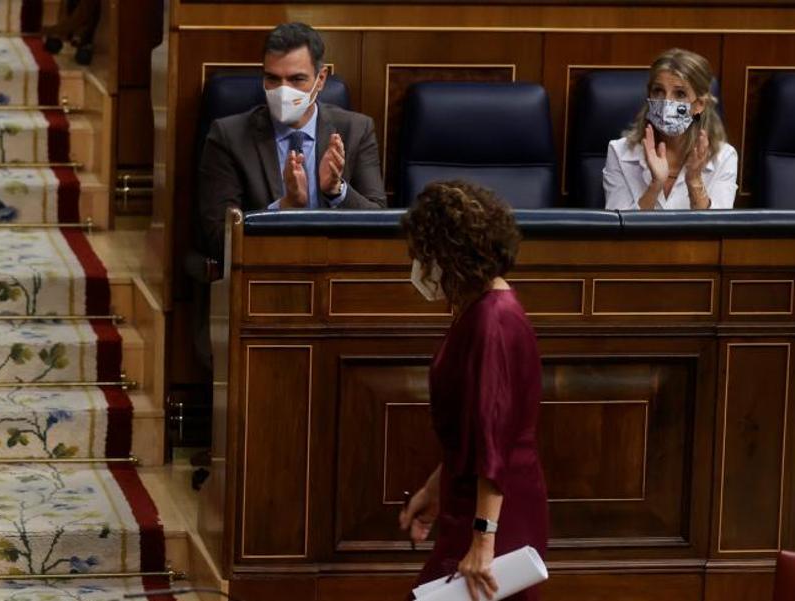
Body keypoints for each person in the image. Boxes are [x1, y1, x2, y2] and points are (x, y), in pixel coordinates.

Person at [398, 181, 548, 601]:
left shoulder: (493, 322)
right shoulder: (481, 309)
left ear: (448, 254)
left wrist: (484, 543)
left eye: (423, 255)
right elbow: (469, 433)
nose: (420, 267)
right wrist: (433, 488)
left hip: (493, 515)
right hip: (475, 501)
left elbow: (492, 441)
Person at [198, 22, 386, 260]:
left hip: (338, 269)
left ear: (320, 79)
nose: (283, 91)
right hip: (265, 274)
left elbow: (381, 223)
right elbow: (217, 239)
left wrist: (336, 191)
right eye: (273, 79)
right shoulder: (229, 136)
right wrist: (284, 207)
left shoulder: (356, 130)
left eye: (297, 79)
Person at [603, 48, 737, 210]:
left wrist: (694, 181)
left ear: (699, 105)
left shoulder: (723, 157)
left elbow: (717, 231)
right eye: (658, 91)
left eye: (680, 94)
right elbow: (618, 231)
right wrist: (655, 185)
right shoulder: (619, 152)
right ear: (649, 95)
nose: (666, 102)